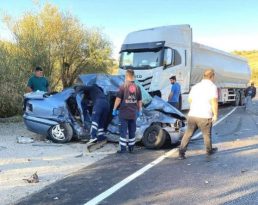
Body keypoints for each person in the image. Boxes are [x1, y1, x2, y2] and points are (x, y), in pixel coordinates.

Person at [178, 69, 218, 160]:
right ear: (212, 77)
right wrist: (215, 114)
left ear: (203, 76)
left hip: (192, 115)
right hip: (205, 115)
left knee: (188, 134)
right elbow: (214, 102)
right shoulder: (212, 87)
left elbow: (190, 100)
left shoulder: (196, 86)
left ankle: (181, 153)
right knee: (206, 135)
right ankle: (209, 151)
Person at [113, 69, 142, 153]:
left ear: (126, 76)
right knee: (132, 131)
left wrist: (114, 109)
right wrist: (140, 110)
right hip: (133, 114)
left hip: (124, 113)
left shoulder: (123, 86)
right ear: (133, 76)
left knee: (123, 131)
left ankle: (123, 149)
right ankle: (131, 148)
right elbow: (139, 101)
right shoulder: (137, 87)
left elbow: (118, 99)